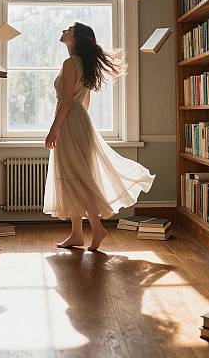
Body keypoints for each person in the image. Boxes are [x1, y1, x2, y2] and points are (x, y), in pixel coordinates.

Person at [43, 22, 155, 251]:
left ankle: (97, 228)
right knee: (73, 176)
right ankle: (76, 234)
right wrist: (80, 122)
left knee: (76, 175)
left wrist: (54, 129)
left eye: (69, 30)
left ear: (75, 38)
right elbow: (85, 99)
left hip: (69, 121)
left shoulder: (70, 63)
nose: (63, 31)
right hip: (78, 119)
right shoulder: (82, 63)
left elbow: (66, 100)